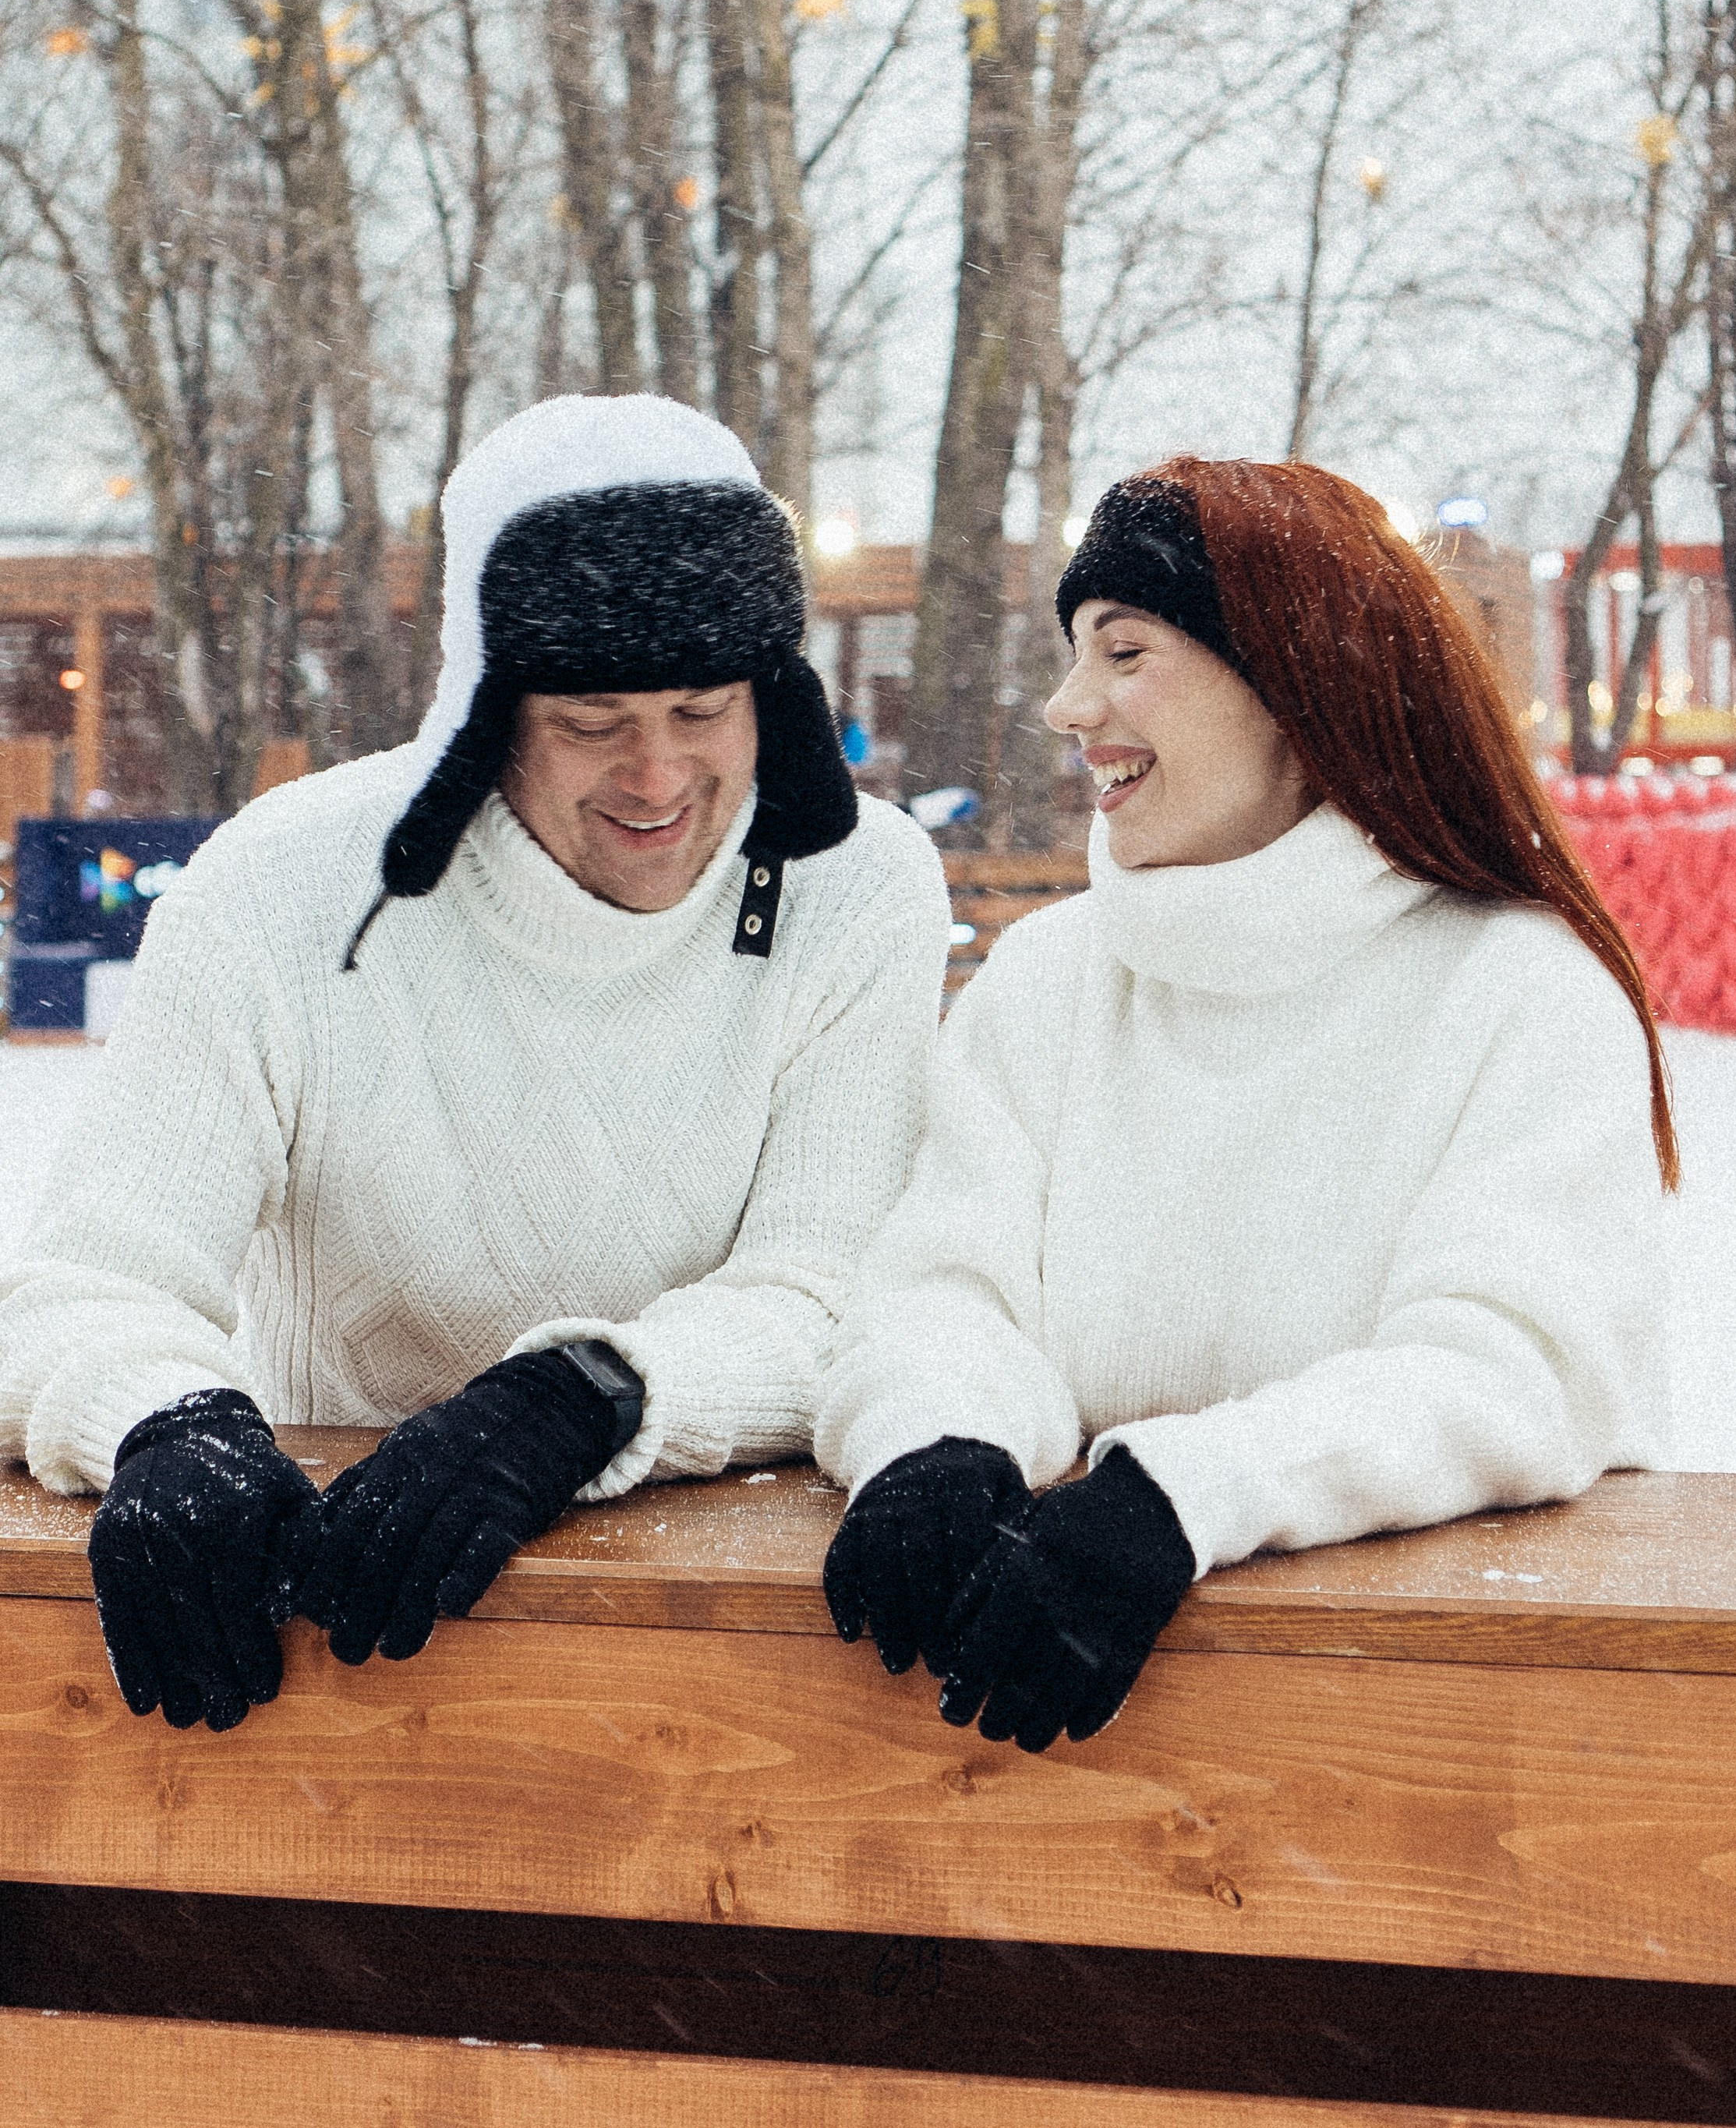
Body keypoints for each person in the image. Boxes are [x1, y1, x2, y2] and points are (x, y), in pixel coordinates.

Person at [0, 395, 950, 1732]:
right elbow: (87, 1281)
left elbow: (834, 1286)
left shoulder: (860, 890)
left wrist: (589, 1397)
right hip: (349, 1638)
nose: (659, 775)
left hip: (726, 1654)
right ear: (486, 710)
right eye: (591, 717)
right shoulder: (284, 890)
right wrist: (163, 1422)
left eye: (704, 707)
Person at [817, 456, 1673, 1755]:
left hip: (1431, 1760)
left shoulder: (1520, 991)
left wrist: (1188, 1496)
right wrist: (939, 1436)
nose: (1067, 704)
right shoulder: (1050, 980)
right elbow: (945, 1287)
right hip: (1034, 1777)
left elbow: (1513, 1370)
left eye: (1124, 651)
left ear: (1289, 682)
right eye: (1072, 655)